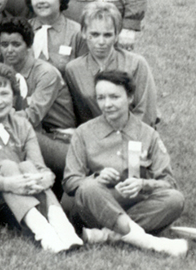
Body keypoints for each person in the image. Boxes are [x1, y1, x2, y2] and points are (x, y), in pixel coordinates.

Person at [0, 62, 82, 252]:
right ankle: (44, 232)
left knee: (30, 168)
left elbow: (39, 165)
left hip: (17, 196)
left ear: (14, 98)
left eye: (4, 94)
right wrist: (9, 183)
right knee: (8, 166)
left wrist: (46, 177)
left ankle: (62, 227)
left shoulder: (21, 123)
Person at [63, 69, 188, 256]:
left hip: (134, 204)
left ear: (130, 97)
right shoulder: (84, 133)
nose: (107, 104)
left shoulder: (148, 134)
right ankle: (150, 242)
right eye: (101, 98)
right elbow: (70, 181)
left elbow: (168, 183)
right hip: (95, 206)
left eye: (114, 97)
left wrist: (144, 184)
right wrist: (97, 177)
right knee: (89, 187)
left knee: (175, 199)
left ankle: (106, 235)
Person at [0, 16, 75, 173]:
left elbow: (32, 117)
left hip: (58, 138)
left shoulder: (46, 73)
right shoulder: (2, 69)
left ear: (29, 45)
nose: (9, 50)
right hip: (28, 133)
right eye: (4, 45)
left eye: (16, 44)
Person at [65, 2, 158, 125]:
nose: (101, 42)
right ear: (83, 33)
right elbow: (80, 114)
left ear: (116, 36)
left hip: (135, 133)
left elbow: (146, 112)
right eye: (95, 34)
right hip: (96, 136)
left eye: (107, 35)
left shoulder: (136, 64)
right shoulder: (74, 69)